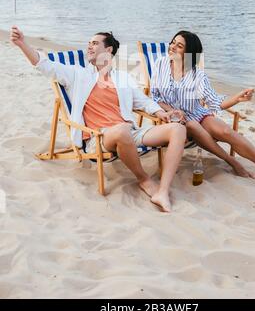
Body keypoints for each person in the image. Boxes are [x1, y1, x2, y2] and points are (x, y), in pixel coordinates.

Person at [10, 26, 187, 212]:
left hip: (128, 132)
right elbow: (44, 65)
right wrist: (22, 44)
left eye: (94, 43)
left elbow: (143, 101)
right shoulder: (78, 74)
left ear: (108, 50)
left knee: (178, 129)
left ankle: (163, 191)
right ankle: (144, 179)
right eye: (88, 44)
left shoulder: (122, 78)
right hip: (99, 138)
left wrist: (162, 113)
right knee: (121, 130)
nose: (89, 47)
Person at [151, 30, 255, 184]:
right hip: (173, 119)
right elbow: (155, 96)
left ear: (189, 53)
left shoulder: (198, 75)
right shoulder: (160, 64)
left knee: (226, 131)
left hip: (196, 113)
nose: (172, 47)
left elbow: (215, 102)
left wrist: (238, 98)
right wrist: (171, 111)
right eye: (172, 42)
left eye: (179, 46)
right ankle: (232, 161)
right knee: (191, 125)